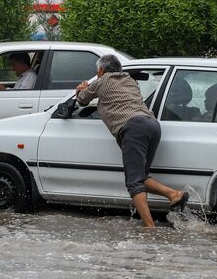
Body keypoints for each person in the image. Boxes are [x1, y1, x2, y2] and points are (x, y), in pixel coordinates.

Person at [76, 55, 188, 228]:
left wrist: (81, 89)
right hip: (152, 125)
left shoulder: (102, 80)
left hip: (133, 128)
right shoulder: (130, 80)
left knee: (133, 182)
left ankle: (149, 228)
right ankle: (174, 195)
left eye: (98, 71)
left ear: (101, 70)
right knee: (141, 177)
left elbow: (82, 100)